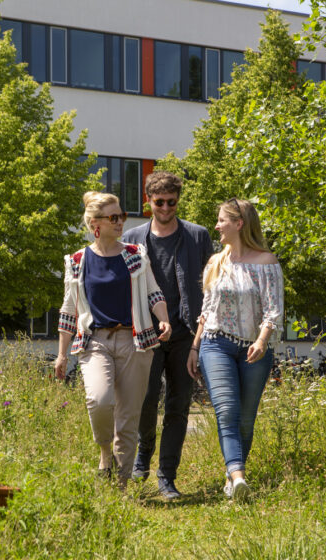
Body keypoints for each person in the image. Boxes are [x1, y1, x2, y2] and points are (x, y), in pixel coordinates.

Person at [55, 191, 172, 487]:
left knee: (129, 417)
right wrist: (61, 354)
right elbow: (69, 310)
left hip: (135, 342)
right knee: (99, 399)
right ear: (96, 223)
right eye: (113, 217)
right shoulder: (78, 261)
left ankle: (120, 487)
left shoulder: (135, 254)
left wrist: (163, 318)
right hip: (95, 342)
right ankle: (105, 452)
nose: (121, 221)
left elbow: (153, 292)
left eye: (121, 215)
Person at [123, 171, 213, 500]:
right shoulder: (132, 239)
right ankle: (142, 459)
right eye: (158, 202)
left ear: (178, 200)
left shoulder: (197, 236)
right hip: (146, 333)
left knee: (178, 406)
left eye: (171, 202)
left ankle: (167, 477)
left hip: (186, 332)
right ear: (148, 202)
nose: (165, 208)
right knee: (145, 401)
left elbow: (210, 284)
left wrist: (204, 333)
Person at [187, 198, 283, 501]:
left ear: (238, 224)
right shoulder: (216, 262)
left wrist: (262, 340)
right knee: (226, 411)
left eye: (221, 221)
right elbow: (206, 308)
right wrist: (195, 346)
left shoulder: (266, 262)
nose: (216, 226)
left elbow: (273, 310)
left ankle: (232, 477)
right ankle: (239, 476)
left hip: (254, 349)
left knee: (245, 419)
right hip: (215, 343)